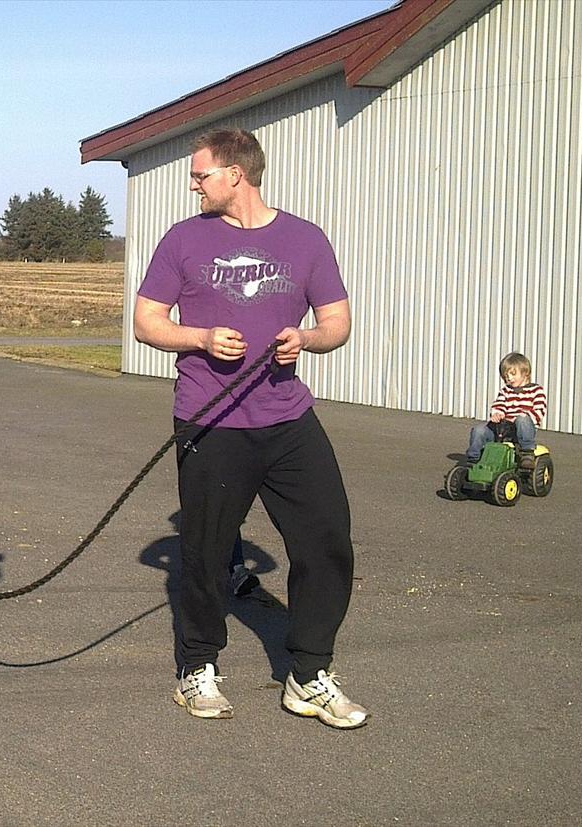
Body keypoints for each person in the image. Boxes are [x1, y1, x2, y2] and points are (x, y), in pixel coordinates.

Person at [133, 127, 369, 729]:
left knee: (327, 542)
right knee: (206, 554)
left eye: (200, 174)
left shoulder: (305, 239)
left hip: (288, 417)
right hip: (211, 420)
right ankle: (198, 669)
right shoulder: (183, 240)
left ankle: (309, 675)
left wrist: (307, 339)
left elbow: (337, 321)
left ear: (235, 174)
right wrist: (201, 338)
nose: (193, 184)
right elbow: (146, 321)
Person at [466, 352, 547, 467]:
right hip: (503, 428)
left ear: (525, 373)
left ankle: (527, 453)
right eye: (506, 376)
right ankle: (473, 459)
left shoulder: (536, 390)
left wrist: (523, 417)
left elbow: (540, 410)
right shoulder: (506, 391)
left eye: (513, 374)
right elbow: (499, 403)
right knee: (479, 430)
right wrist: (497, 413)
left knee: (522, 420)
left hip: (522, 429)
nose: (509, 378)